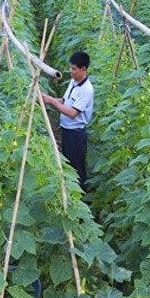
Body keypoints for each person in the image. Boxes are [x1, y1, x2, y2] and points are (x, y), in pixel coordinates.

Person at [42, 51, 94, 192]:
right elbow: (65, 101)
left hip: (76, 134)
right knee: (69, 165)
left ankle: (82, 199)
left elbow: (72, 113)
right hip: (67, 131)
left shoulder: (86, 89)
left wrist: (52, 101)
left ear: (83, 69)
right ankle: (71, 193)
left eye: (74, 69)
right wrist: (48, 99)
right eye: (70, 67)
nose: (71, 71)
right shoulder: (74, 82)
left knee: (76, 168)